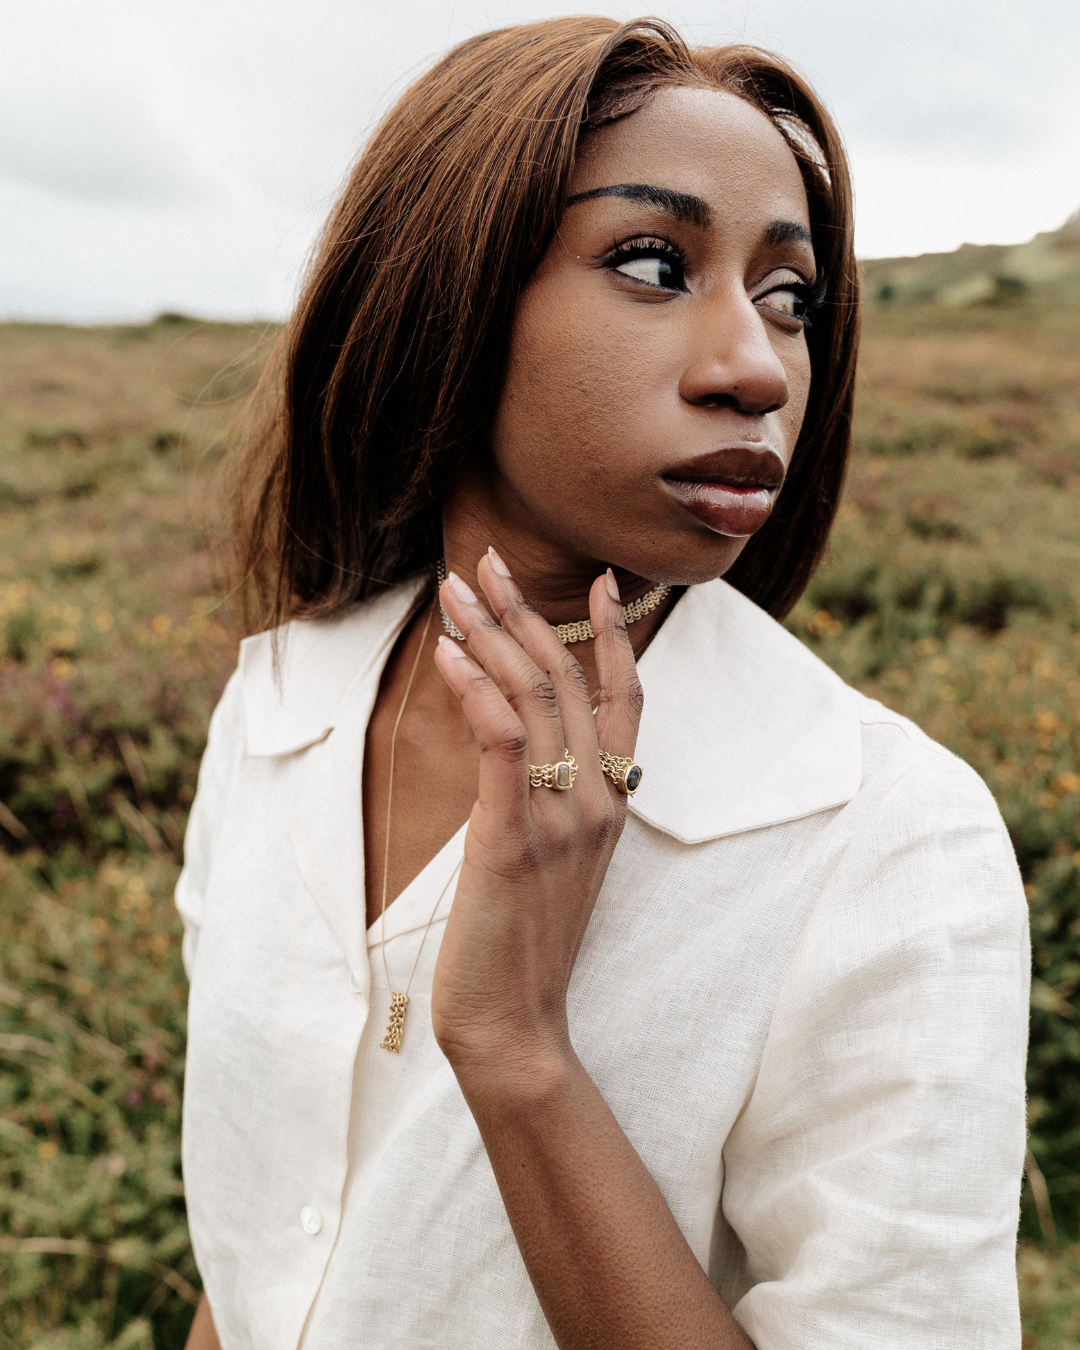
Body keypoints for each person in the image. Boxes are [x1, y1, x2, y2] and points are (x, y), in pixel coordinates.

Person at [177, 16, 1030, 1350]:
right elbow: (257, 1250)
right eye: (651, 261)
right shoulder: (277, 705)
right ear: (443, 292)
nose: (757, 365)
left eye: (789, 296)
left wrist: (520, 1051)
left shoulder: (888, 839)